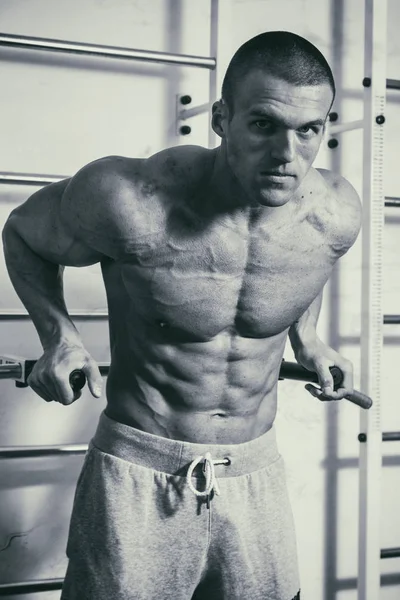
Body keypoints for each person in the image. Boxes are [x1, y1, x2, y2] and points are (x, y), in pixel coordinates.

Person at [2, 31, 361, 600]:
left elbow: (300, 273)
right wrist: (59, 338)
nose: (286, 156)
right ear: (222, 118)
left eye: (309, 130)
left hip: (254, 471)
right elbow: (22, 234)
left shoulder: (335, 215)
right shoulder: (128, 198)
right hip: (140, 471)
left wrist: (308, 337)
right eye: (264, 124)